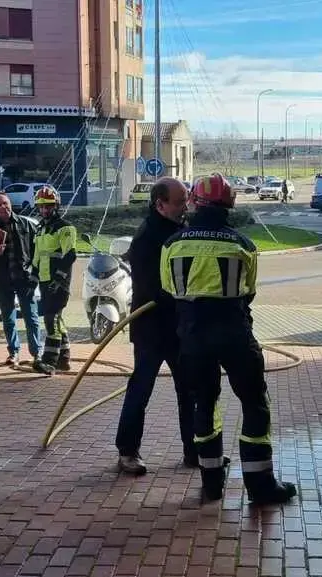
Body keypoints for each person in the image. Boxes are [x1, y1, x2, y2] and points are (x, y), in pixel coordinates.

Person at [160, 174, 295, 505]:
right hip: (235, 335)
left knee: (204, 405)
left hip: (192, 339)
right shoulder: (243, 246)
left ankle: (211, 483)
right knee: (254, 404)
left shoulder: (172, 245)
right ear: (229, 206)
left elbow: (169, 289)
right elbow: (248, 291)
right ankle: (261, 487)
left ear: (194, 202)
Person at [114, 177, 196, 475]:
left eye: (186, 199)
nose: (184, 205)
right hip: (151, 326)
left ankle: (194, 450)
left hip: (178, 327)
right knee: (141, 388)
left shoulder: (181, 229)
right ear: (160, 204)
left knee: (189, 390)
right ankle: (127, 452)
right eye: (179, 202)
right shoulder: (148, 237)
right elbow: (152, 287)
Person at [0, 192, 43, 366]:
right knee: (8, 318)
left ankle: (37, 353)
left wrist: (35, 274)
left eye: (5, 203)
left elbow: (38, 252)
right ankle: (13, 352)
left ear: (10, 203)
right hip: (3, 280)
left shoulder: (25, 224)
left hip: (25, 279)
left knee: (31, 317)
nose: (3, 207)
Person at [31, 186, 77, 375]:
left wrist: (58, 279)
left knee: (51, 320)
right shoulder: (41, 229)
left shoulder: (65, 228)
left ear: (56, 206)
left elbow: (70, 256)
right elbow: (37, 256)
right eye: (41, 207)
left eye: (48, 206)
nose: (44, 210)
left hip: (58, 282)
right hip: (44, 280)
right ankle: (64, 359)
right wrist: (32, 277)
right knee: (56, 318)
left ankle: (49, 361)